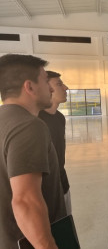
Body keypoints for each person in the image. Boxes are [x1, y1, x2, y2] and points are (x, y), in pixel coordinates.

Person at [0, 54, 66, 249]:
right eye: (46, 81)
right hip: (32, 240)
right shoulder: (29, 126)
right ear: (29, 87)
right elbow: (26, 201)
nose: (51, 88)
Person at [38, 71, 71, 215]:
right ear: (46, 88)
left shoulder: (59, 118)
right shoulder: (36, 122)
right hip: (45, 192)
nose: (66, 88)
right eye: (59, 84)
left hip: (62, 183)